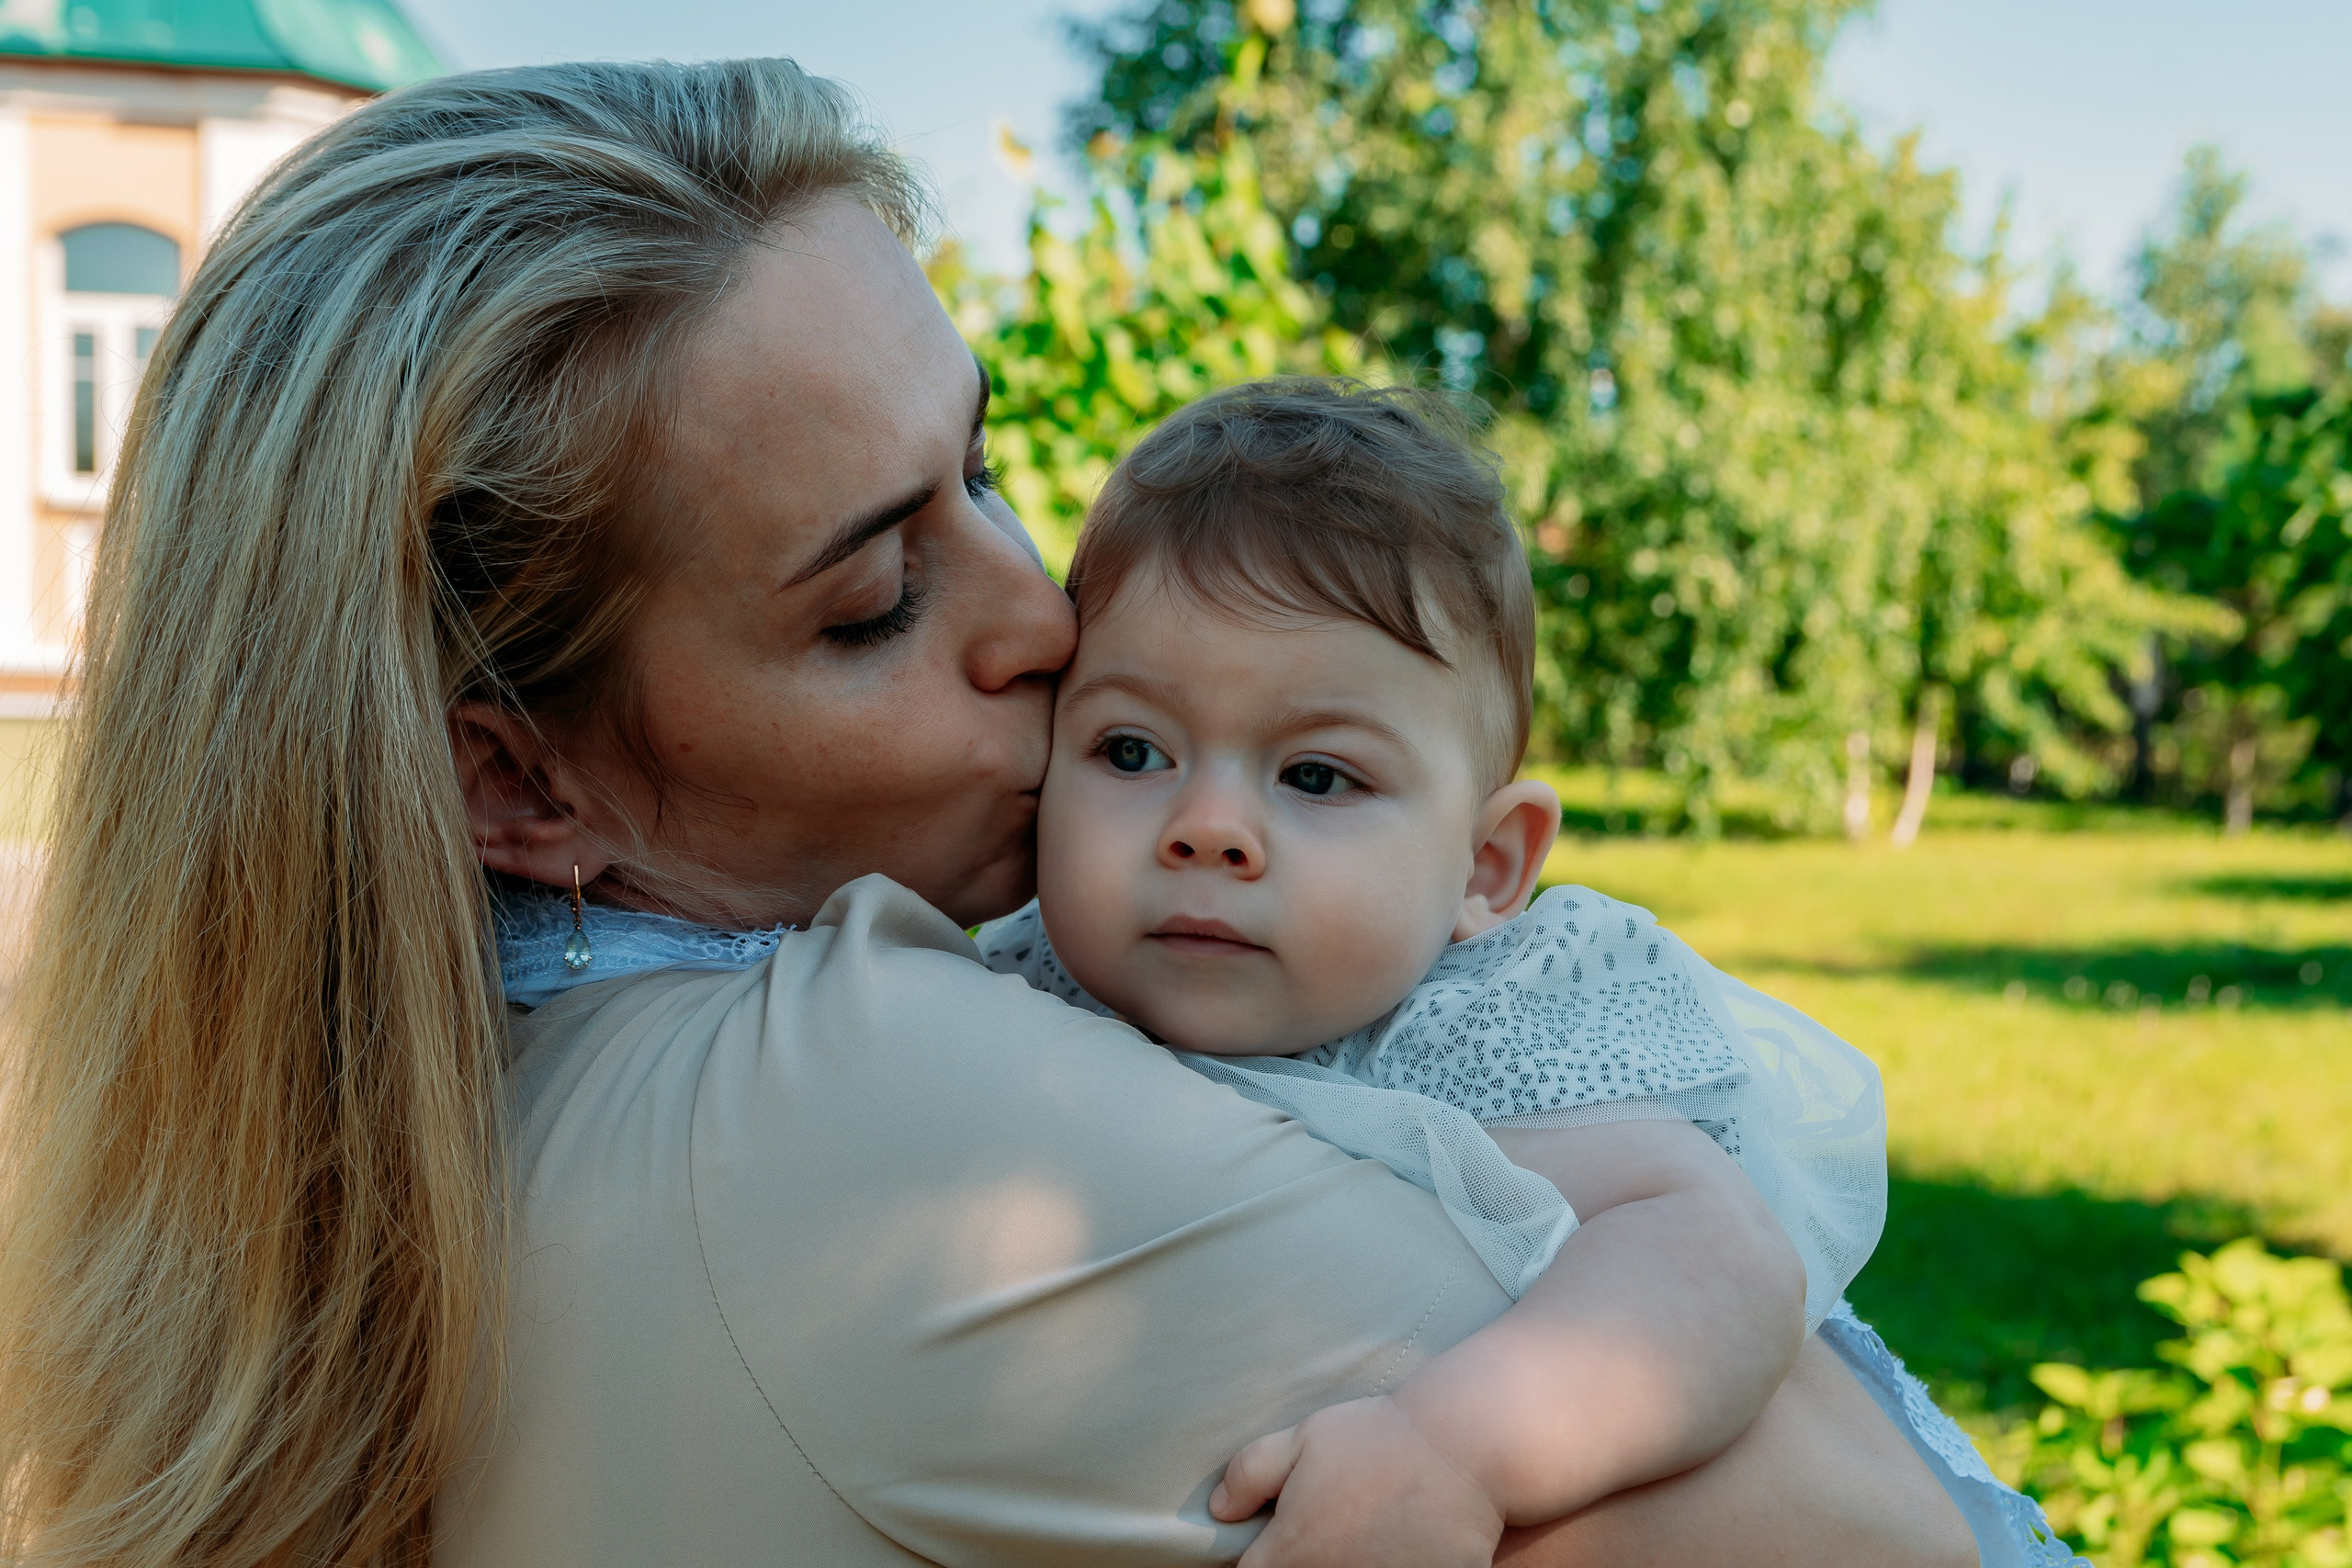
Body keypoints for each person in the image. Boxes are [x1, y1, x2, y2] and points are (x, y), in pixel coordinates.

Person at [0, 56, 2045, 1568]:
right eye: (875, 596)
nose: (1045, 617)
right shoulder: (861, 1115)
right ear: (512, 775)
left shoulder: (442, 1108)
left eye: (985, 474)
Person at [972, 379, 1894, 1562]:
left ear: (1484, 866)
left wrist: (1457, 1447)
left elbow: (1717, 1257)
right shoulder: (1016, 987)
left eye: (1316, 777)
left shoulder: (1478, 1037)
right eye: (1132, 750)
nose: (1205, 827)